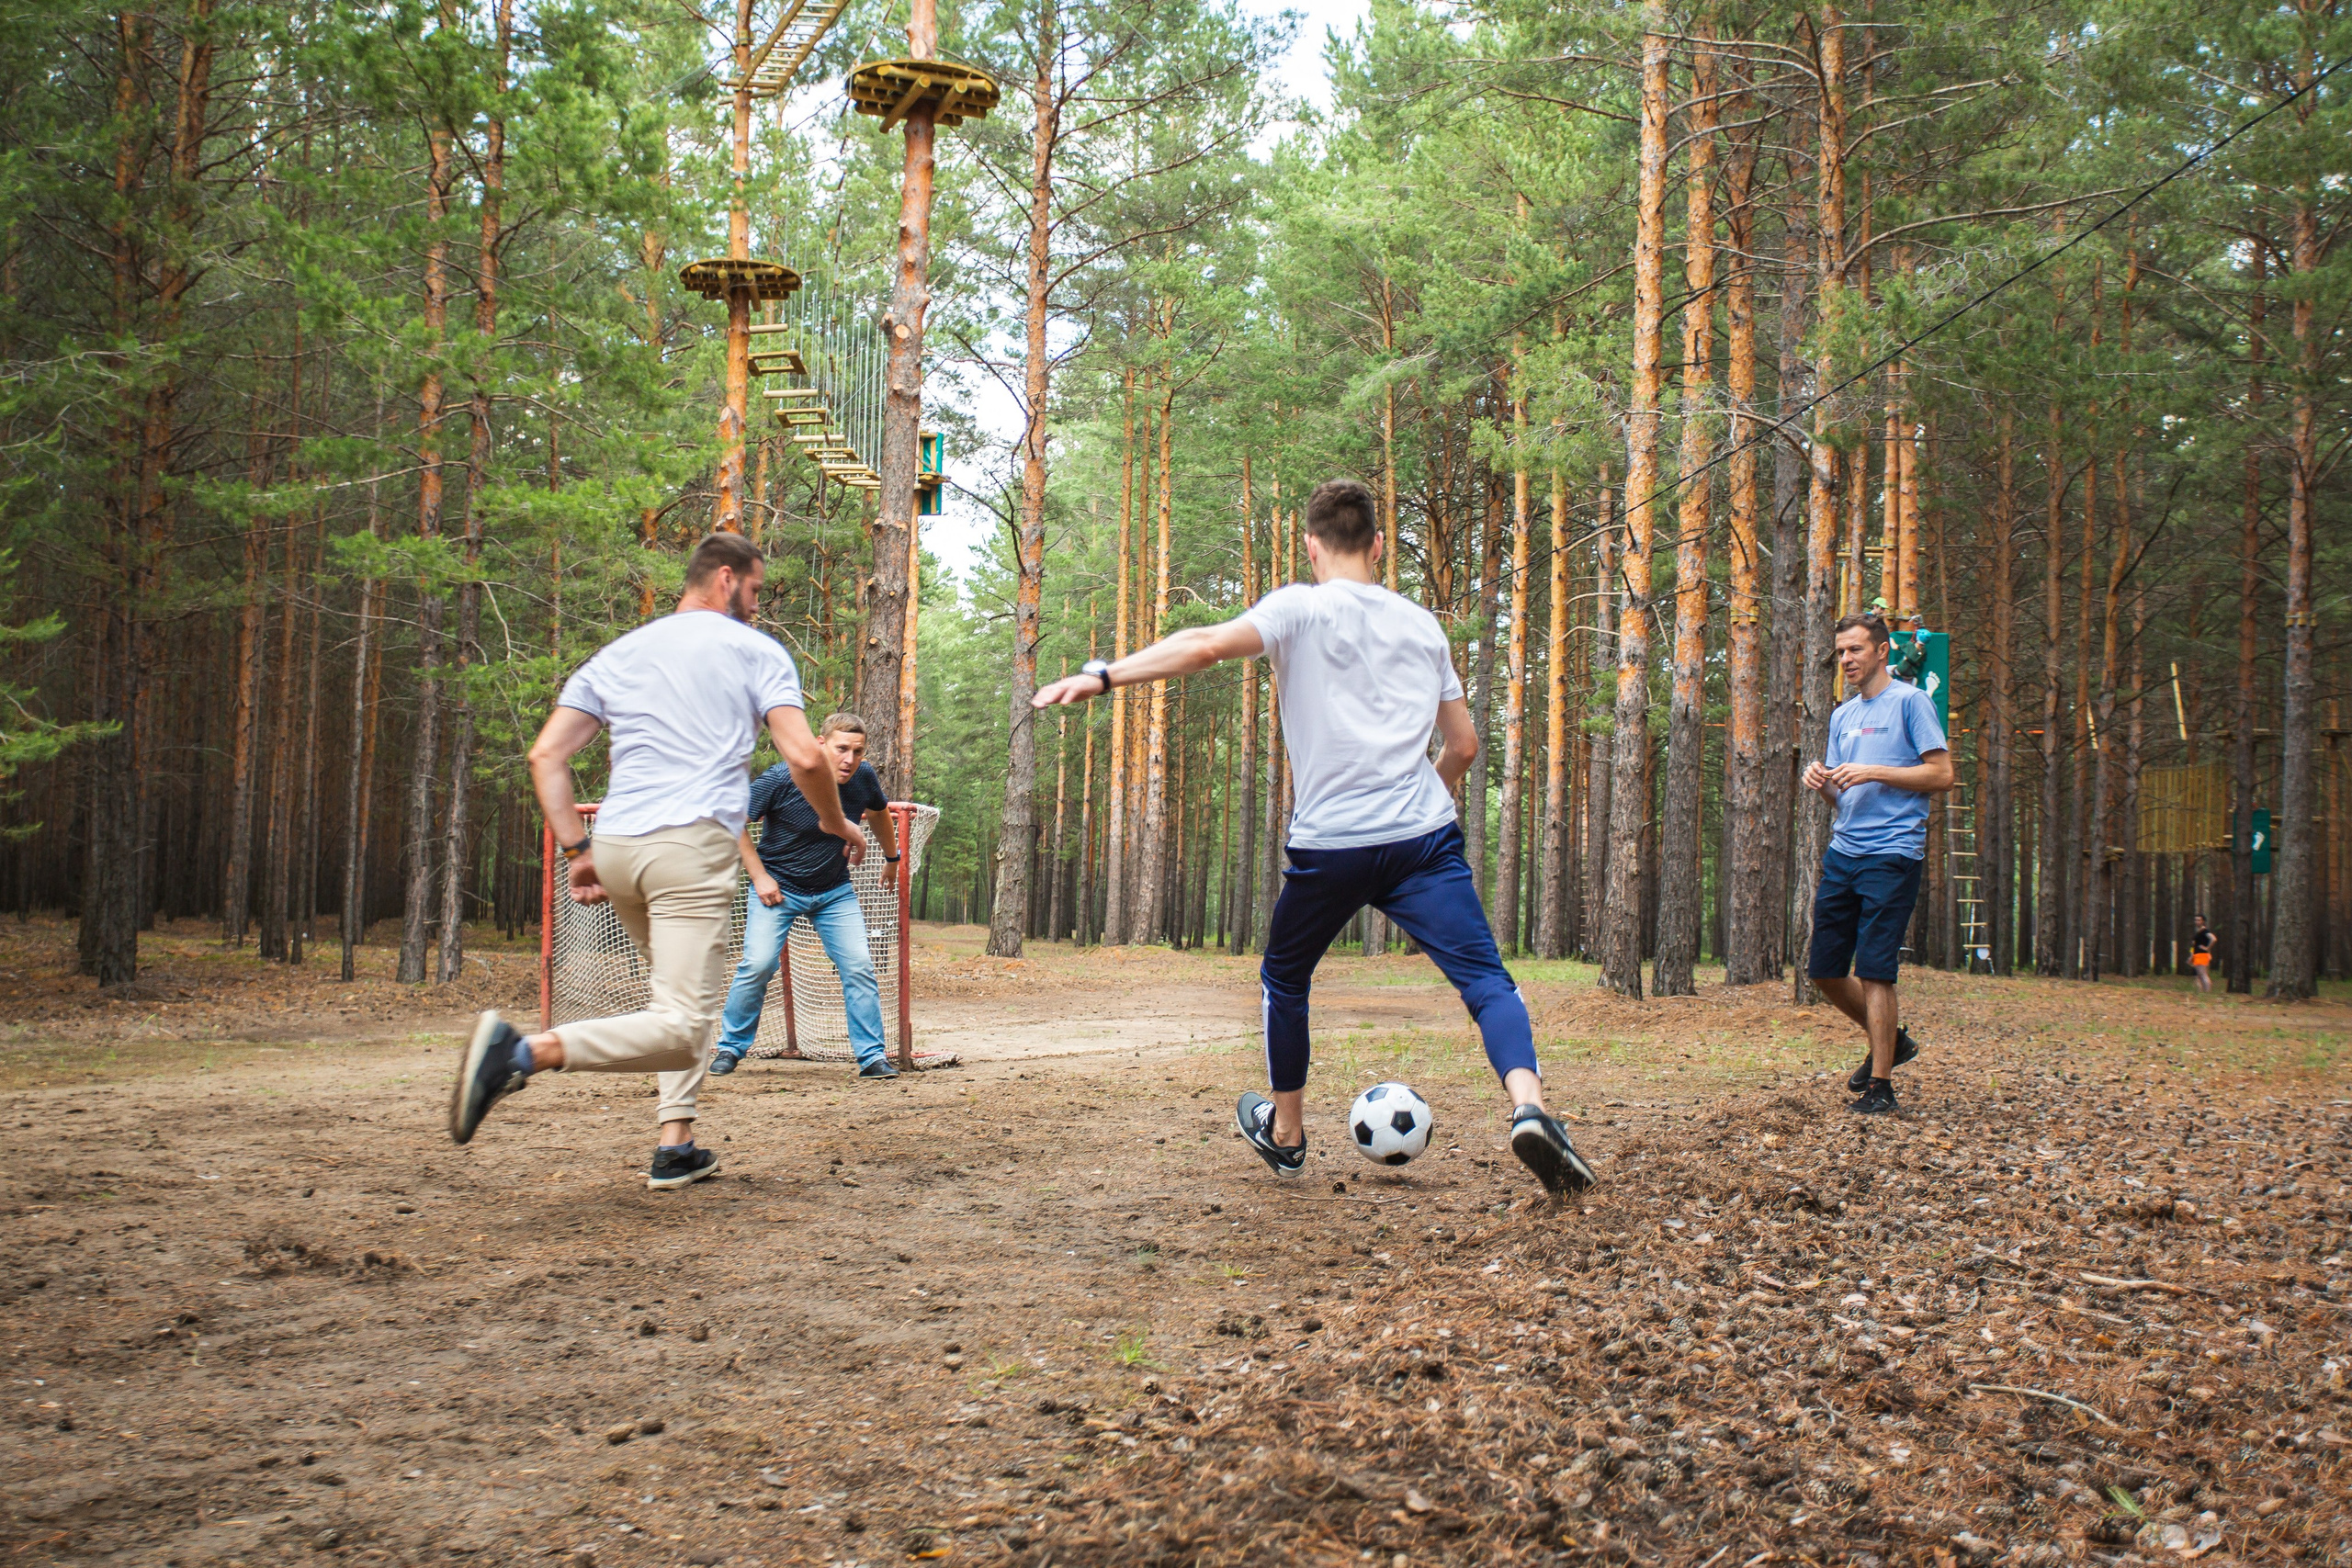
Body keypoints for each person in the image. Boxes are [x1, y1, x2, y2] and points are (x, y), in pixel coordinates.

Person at [1032, 478, 1595, 1200]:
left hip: (1332, 842)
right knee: (1486, 982)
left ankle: (1289, 1135)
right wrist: (1424, 803)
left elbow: (1205, 647)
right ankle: (1531, 1109)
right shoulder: (1424, 625)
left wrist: (1105, 675)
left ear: (1311, 546)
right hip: (1423, 837)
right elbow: (1463, 744)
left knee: (1285, 978)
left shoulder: (1298, 605)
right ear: (1379, 546)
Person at [447, 532, 863, 1189]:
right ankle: (522, 1052)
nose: (757, 606)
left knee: (678, 999)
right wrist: (838, 822)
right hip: (689, 849)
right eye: (755, 591)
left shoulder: (621, 652)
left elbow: (546, 756)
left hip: (617, 845)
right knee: (682, 1024)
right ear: (726, 580)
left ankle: (677, 1140)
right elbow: (807, 757)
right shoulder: (756, 651)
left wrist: (578, 851)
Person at [1803, 610, 1955, 1115]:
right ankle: (1895, 1040)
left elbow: (1941, 775)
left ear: (1882, 650)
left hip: (1892, 853)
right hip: (1844, 851)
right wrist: (1824, 783)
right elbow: (1844, 797)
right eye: (1841, 652)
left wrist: (1873, 770)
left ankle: (1881, 1086)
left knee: (1874, 969)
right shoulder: (1842, 715)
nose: (1846, 659)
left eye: (1855, 650)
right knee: (1824, 969)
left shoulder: (1911, 703)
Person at [709, 712, 901, 1079]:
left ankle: (872, 1057)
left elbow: (878, 813)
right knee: (758, 965)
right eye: (841, 748)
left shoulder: (863, 777)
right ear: (820, 744)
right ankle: (730, 1047)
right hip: (778, 890)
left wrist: (892, 858)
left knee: (859, 966)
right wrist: (760, 876)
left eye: (858, 751)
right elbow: (734, 823)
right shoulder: (782, 778)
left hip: (833, 891)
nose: (849, 759)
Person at [2190, 913, 2217, 993]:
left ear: (2203, 921)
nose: (2197, 921)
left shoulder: (2205, 931)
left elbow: (2213, 939)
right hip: (2197, 955)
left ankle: (2207, 992)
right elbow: (2194, 945)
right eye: (2196, 920)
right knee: (2199, 975)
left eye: (2199, 920)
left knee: (2203, 974)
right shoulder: (2199, 932)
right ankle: (2201, 992)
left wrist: (2207, 948)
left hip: (2202, 955)